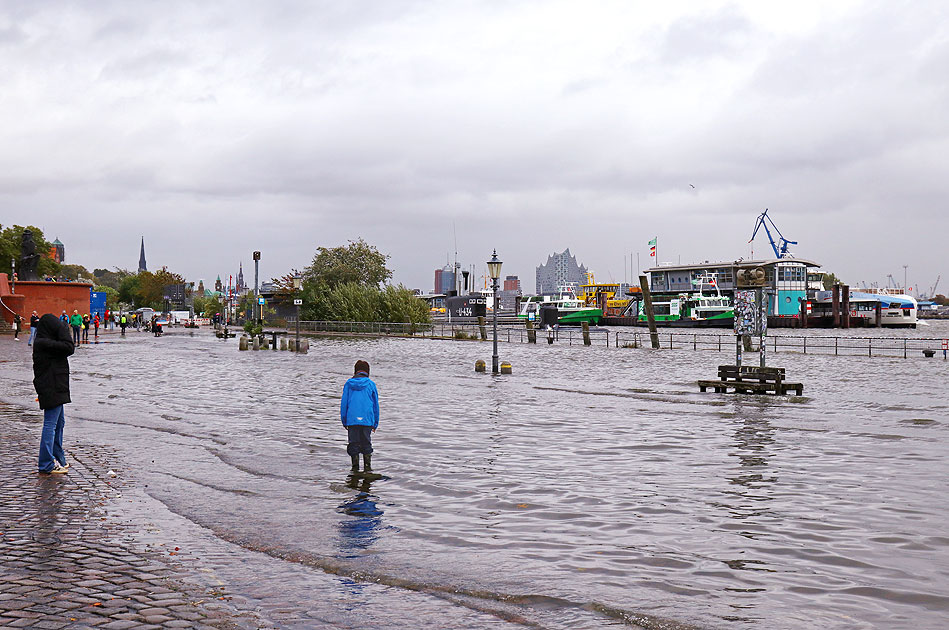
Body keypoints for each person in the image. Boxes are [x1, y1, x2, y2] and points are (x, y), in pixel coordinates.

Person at [33, 313, 75, 474]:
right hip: (52, 386)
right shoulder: (44, 343)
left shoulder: (44, 342)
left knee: (59, 423)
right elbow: (69, 347)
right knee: (50, 425)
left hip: (55, 386)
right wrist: (64, 328)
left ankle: (58, 458)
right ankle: (46, 464)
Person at [340, 360, 380, 473]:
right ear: (368, 371)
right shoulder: (371, 384)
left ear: (355, 371)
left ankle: (355, 469)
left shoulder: (348, 384)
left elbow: (344, 404)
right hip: (367, 420)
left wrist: (344, 421)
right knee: (366, 444)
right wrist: (375, 423)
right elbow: (375, 405)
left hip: (352, 420)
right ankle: (368, 469)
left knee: (353, 444)